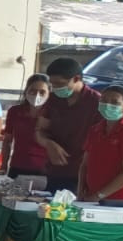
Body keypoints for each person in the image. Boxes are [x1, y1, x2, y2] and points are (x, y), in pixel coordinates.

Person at [37, 57, 103, 192]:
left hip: (83, 174)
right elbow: (40, 130)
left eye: (60, 84)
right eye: (52, 84)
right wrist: (48, 143)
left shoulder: (96, 102)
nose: (55, 88)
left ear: (77, 79)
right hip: (55, 170)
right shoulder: (53, 100)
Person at [77, 85, 123, 209]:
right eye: (104, 100)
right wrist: (80, 191)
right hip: (92, 200)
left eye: (115, 102)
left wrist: (99, 195)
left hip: (120, 204)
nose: (107, 105)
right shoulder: (95, 130)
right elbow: (84, 165)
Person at [0, 74, 52, 178]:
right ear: (26, 91)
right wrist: (4, 165)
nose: (37, 95)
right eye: (33, 90)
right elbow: (7, 141)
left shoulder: (53, 114)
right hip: (17, 166)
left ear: (49, 93)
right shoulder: (15, 111)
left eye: (42, 92)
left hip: (44, 169)